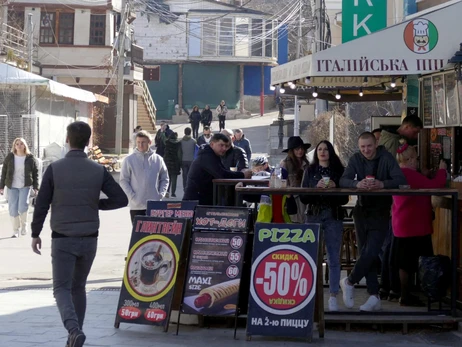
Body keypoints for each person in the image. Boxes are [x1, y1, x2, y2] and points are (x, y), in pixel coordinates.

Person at [30, 121, 128, 347]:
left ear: (67, 140)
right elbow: (121, 199)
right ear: (88, 142)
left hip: (63, 238)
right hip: (89, 237)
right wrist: (96, 205)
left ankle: (73, 330)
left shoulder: (54, 169)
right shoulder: (98, 169)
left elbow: (42, 204)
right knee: (78, 287)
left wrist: (35, 233)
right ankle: (75, 336)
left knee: (61, 288)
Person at [339, 132, 407, 312]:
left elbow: (401, 180)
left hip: (381, 211)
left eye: (368, 146)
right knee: (364, 253)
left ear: (375, 144)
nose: (366, 150)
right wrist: (357, 184)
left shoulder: (386, 157)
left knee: (372, 250)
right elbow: (342, 180)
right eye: (362, 147)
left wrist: (382, 184)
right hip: (361, 210)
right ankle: (374, 296)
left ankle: (349, 280)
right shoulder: (355, 158)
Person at [393, 143, 446, 306]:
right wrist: (443, 169)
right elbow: (435, 185)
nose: (416, 162)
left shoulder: (398, 173)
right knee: (420, 261)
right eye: (415, 159)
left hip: (402, 223)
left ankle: (405, 294)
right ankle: (420, 295)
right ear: (409, 160)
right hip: (415, 225)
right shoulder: (410, 174)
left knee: (404, 262)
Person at [300, 140, 348, 312]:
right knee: (311, 257)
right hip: (313, 214)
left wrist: (336, 188)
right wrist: (315, 188)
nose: (322, 152)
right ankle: (310, 294)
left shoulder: (339, 171)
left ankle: (333, 295)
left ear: (331, 152)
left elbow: (344, 199)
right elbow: (303, 197)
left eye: (326, 149)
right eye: (319, 149)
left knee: (334, 257)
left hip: (333, 215)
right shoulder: (310, 170)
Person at [378, 116, 422, 301]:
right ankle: (393, 287)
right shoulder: (395, 144)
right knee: (392, 247)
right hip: (389, 201)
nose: (416, 135)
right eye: (416, 131)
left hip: (388, 200)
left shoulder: (388, 139)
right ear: (408, 126)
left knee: (390, 246)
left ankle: (388, 287)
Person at [183, 133, 252, 205]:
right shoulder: (207, 156)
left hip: (203, 200)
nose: (224, 148)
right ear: (212, 144)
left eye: (226, 146)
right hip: (195, 202)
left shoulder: (212, 155)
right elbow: (222, 174)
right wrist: (242, 175)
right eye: (221, 145)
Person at [120, 130, 169, 222]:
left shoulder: (158, 159)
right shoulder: (129, 160)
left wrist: (160, 194)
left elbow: (165, 178)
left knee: (155, 234)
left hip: (155, 205)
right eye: (138, 142)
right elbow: (123, 180)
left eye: (143, 142)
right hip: (137, 206)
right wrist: (132, 197)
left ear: (149, 142)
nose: (140, 145)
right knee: (139, 235)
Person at [0, 138, 39, 238]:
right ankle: (15, 230)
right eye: (17, 144)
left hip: (25, 186)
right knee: (13, 209)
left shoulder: (30, 158)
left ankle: (24, 225)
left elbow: (35, 173)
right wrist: (1, 186)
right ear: (14, 146)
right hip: (12, 186)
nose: (19, 145)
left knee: (23, 206)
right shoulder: (10, 157)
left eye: (21, 144)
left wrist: (35, 187)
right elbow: (4, 171)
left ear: (25, 145)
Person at [280, 136, 310, 223]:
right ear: (292, 151)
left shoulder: (307, 163)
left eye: (302, 148)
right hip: (293, 198)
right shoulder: (285, 164)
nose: (300, 151)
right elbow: (282, 182)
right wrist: (288, 194)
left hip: (306, 197)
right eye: (297, 149)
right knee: (294, 223)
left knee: (306, 222)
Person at [164, 132, 182, 198]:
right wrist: (180, 163)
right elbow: (179, 154)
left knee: (168, 178)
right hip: (175, 162)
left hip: (168, 162)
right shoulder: (178, 144)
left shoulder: (167, 143)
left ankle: (167, 191)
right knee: (174, 178)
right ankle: (173, 193)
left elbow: (165, 153)